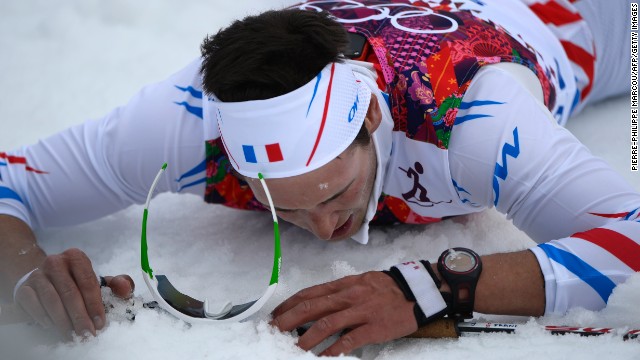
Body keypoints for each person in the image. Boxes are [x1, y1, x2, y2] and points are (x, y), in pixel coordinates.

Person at [0, 0, 638, 355]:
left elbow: (632, 240)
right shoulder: (184, 121)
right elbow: (10, 181)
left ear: (372, 117)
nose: (325, 232)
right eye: (281, 206)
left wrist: (431, 287)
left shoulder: (472, 122)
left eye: (336, 193)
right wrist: (28, 266)